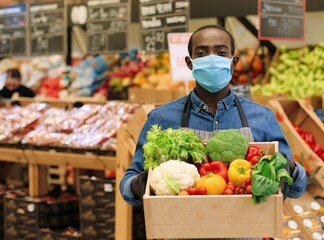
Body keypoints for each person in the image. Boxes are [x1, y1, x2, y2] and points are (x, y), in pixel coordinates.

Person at [120, 25, 307, 206]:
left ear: (234, 62)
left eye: (221, 53)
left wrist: (292, 170)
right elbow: (128, 186)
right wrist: (140, 183)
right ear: (189, 62)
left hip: (245, 233)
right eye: (201, 54)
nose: (211, 59)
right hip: (182, 231)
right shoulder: (161, 118)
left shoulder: (262, 117)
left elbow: (295, 188)